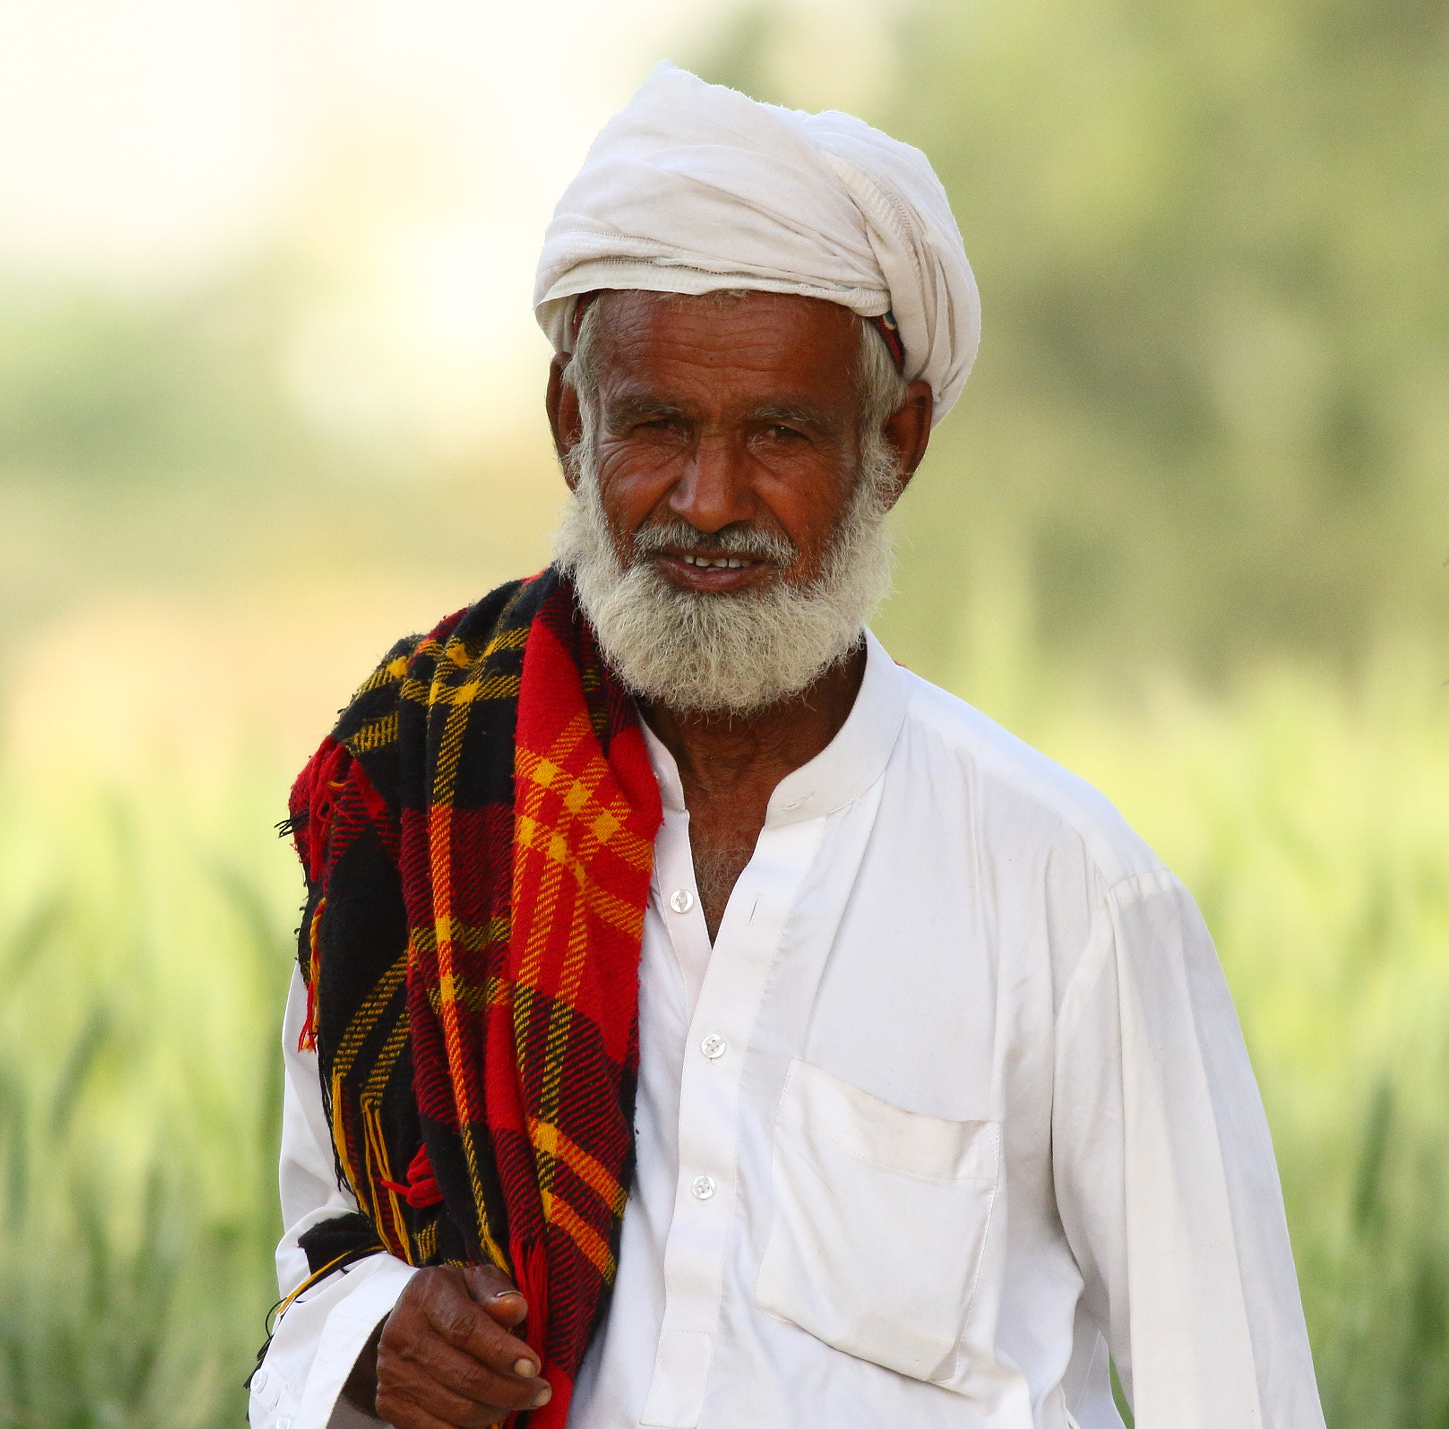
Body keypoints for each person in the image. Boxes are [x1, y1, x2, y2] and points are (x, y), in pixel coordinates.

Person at [249, 62, 1322, 1429]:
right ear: (571, 426)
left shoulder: (1068, 892)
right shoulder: (425, 811)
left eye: (778, 435)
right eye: (652, 426)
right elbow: (310, 1280)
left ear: (895, 444)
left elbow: (1237, 1395)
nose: (707, 500)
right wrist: (376, 1337)